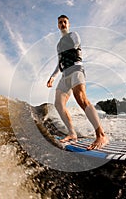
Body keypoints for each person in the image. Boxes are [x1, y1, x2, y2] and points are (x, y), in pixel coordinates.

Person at [47, 15, 108, 150]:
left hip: (76, 69)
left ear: (68, 24)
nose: (62, 24)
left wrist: (64, 44)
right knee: (58, 104)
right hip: (65, 74)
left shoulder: (74, 35)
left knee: (80, 98)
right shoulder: (58, 45)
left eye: (64, 22)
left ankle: (101, 135)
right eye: (60, 22)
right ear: (58, 25)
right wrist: (52, 77)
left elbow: (74, 46)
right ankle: (72, 133)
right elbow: (59, 62)